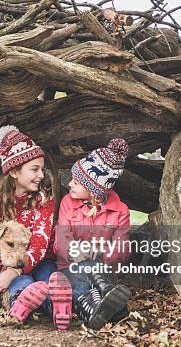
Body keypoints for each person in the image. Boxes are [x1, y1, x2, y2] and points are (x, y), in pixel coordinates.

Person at [0, 125, 72, 329]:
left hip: (39, 261)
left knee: (49, 280)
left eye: (42, 169)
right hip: (12, 267)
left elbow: (38, 246)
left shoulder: (43, 201)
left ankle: (59, 306)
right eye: (34, 169)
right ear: (14, 171)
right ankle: (25, 303)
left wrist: (13, 272)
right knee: (23, 287)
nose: (40, 175)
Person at [54, 138, 132, 330]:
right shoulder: (67, 203)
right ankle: (102, 307)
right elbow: (61, 240)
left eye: (77, 182)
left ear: (94, 191)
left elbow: (122, 250)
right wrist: (75, 251)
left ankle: (100, 298)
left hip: (103, 270)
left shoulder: (120, 211)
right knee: (76, 282)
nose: (70, 183)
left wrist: (98, 252)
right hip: (71, 268)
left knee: (92, 267)